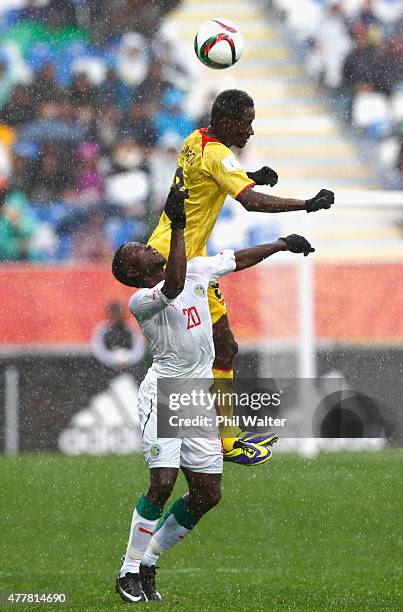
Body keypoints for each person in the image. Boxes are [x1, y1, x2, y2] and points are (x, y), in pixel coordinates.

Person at [112, 177, 316, 603]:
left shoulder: (198, 270)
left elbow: (237, 259)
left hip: (197, 398)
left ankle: (148, 560)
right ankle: (127, 570)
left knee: (207, 494)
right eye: (142, 252)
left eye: (147, 245)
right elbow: (173, 285)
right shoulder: (144, 300)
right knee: (162, 483)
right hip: (164, 394)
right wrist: (181, 225)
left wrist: (281, 243)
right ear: (134, 273)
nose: (150, 247)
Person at [148, 89, 334, 463]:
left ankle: (223, 438)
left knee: (224, 347)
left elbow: (210, 177)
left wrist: (249, 175)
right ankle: (174, 440)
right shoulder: (218, 154)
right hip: (177, 263)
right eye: (246, 123)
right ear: (229, 122)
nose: (250, 131)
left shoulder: (196, 139)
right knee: (187, 356)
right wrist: (306, 204)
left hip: (184, 257)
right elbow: (249, 202)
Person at [91, 301, 145, 371]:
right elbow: (99, 350)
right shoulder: (102, 330)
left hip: (130, 369)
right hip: (106, 370)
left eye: (118, 313)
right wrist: (113, 360)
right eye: (113, 313)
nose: (116, 317)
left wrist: (126, 359)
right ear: (109, 314)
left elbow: (138, 350)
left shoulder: (131, 329)